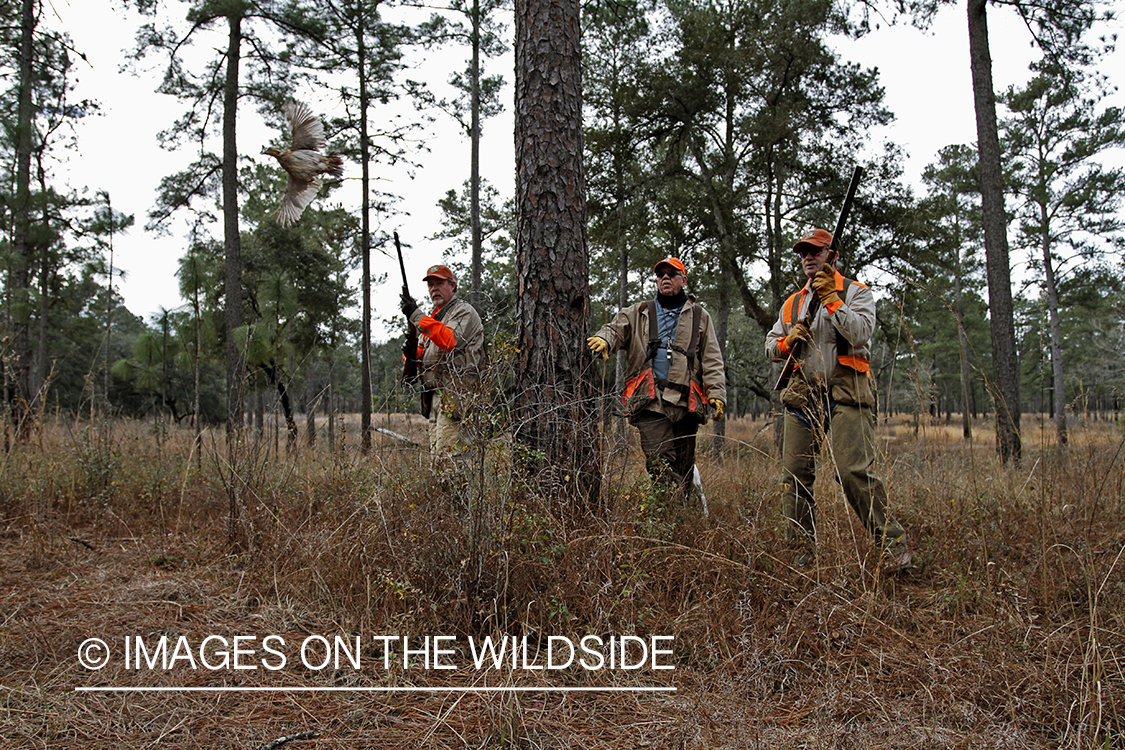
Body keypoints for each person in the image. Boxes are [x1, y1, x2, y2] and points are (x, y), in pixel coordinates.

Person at [766, 228, 912, 573]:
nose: (808, 258)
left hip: (846, 394)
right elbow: (770, 346)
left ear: (833, 255)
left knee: (853, 472)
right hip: (804, 397)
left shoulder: (857, 293)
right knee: (795, 476)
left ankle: (892, 545)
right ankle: (801, 554)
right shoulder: (793, 302)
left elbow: (861, 333)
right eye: (803, 253)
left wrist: (832, 300)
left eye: (816, 251)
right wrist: (788, 343)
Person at [587, 257, 726, 504]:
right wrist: (605, 339)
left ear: (683, 280)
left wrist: (716, 393)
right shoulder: (639, 311)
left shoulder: (699, 316)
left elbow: (712, 357)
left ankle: (685, 516)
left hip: (686, 402)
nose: (665, 277)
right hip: (650, 401)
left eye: (672, 274)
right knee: (659, 461)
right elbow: (616, 328)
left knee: (684, 466)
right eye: (660, 274)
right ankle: (668, 517)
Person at [400, 264, 485, 456]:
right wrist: (409, 353)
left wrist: (415, 315)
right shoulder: (432, 320)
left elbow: (449, 340)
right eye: (430, 285)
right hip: (435, 399)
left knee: (450, 463)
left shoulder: (463, 312)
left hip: (456, 397)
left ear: (452, 286)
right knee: (437, 464)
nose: (434, 289)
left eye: (439, 283)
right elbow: (421, 356)